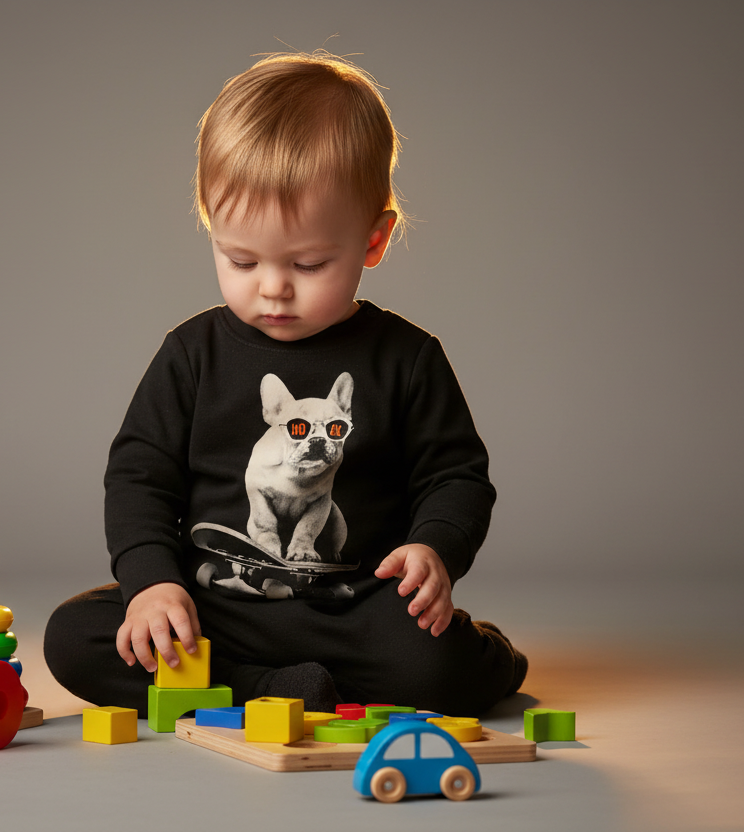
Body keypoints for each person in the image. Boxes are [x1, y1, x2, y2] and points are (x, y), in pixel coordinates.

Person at [44, 51, 526, 717]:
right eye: (240, 259)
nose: (272, 286)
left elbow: (457, 475)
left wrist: (433, 549)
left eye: (309, 262)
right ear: (211, 225)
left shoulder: (407, 358)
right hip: (218, 603)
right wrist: (151, 582)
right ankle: (270, 690)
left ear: (374, 239)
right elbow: (139, 474)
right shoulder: (193, 354)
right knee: (75, 638)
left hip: (354, 608)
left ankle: (486, 654)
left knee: (438, 671)